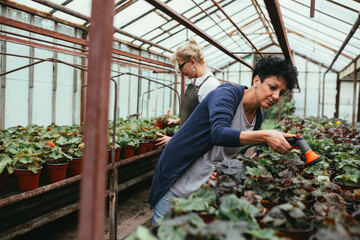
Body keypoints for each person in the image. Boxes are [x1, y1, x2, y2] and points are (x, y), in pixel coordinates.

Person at [148, 56, 298, 224]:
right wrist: (265, 136)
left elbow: (229, 153)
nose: (276, 96)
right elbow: (219, 134)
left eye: (282, 93)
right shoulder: (227, 94)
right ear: (256, 80)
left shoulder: (257, 118)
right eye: (273, 87)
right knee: (163, 232)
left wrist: (220, 169)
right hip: (178, 177)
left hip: (204, 187)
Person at [155, 38, 220, 148]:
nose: (180, 71)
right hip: (185, 143)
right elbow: (198, 114)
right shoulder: (196, 81)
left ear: (192, 61)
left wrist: (174, 140)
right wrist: (179, 120)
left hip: (194, 148)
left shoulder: (210, 86)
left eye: (181, 66)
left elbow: (207, 127)